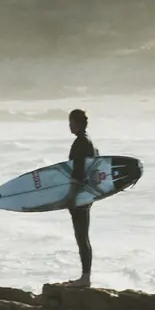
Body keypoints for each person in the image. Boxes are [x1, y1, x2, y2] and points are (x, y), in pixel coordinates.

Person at [64, 106, 103, 286]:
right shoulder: (91, 143)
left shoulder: (80, 143)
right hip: (88, 194)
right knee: (83, 235)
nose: (69, 126)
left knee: (81, 236)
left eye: (71, 122)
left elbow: (77, 172)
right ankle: (85, 276)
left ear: (77, 123)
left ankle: (85, 278)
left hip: (80, 195)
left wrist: (71, 197)